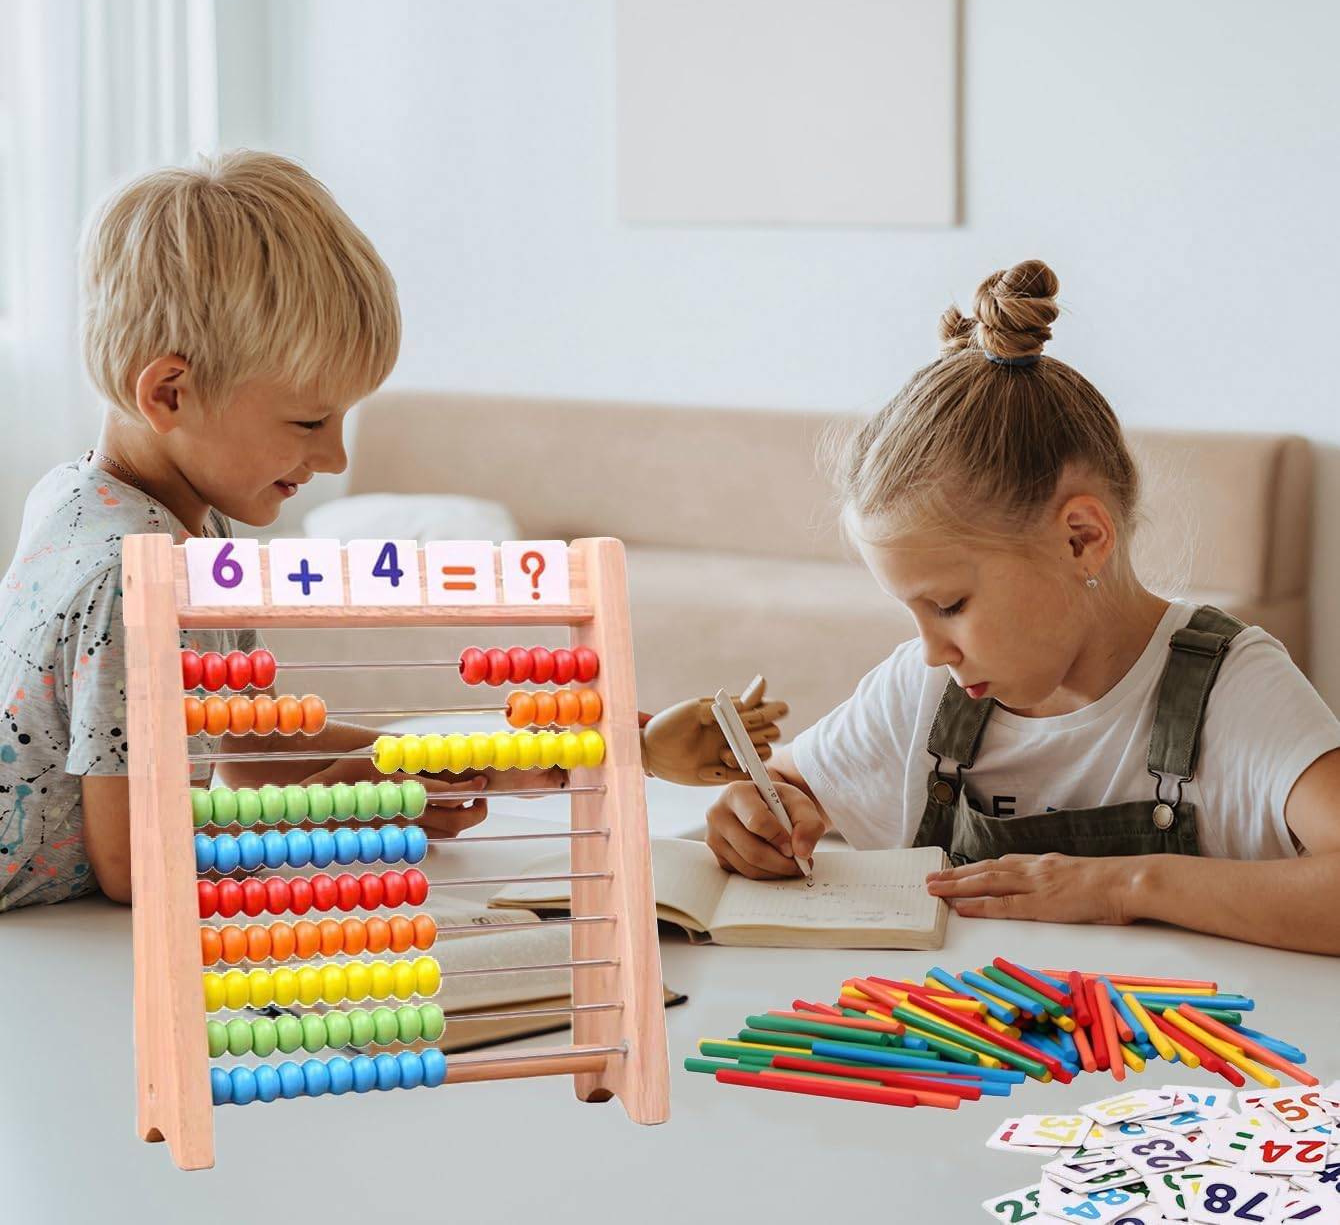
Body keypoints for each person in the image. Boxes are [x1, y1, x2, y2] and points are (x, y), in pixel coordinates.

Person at [0, 150, 786, 913]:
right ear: (171, 392)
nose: (336, 455)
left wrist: (469, 761)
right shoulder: (125, 576)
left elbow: (251, 751)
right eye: (309, 419)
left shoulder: (156, 519)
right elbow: (135, 864)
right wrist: (358, 806)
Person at [705, 260, 1340, 955]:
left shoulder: (1233, 690)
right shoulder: (923, 692)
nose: (930, 649)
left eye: (949, 603)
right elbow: (792, 783)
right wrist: (766, 812)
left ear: (1081, 539)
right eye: (910, 610)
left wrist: (1121, 886)